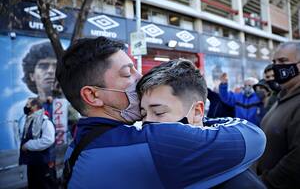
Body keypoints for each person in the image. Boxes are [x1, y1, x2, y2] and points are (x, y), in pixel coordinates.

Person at [58, 36, 266, 188]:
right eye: (127, 73)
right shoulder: (154, 143)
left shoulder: (81, 140)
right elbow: (253, 138)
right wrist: (197, 121)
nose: (139, 76)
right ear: (93, 96)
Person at [137, 59, 266, 189]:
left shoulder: (239, 183)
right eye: (143, 114)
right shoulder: (150, 166)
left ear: (197, 112)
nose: (146, 123)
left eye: (159, 112)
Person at [256, 42, 300, 188]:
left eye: (283, 61)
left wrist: (265, 184)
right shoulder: (282, 96)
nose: (276, 67)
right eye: (274, 62)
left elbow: (296, 160)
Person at [19, 97, 57, 189]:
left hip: (43, 163)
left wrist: (28, 145)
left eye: (28, 105)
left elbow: (48, 140)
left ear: (35, 106)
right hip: (33, 162)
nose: (26, 107)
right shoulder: (30, 119)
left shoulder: (45, 120)